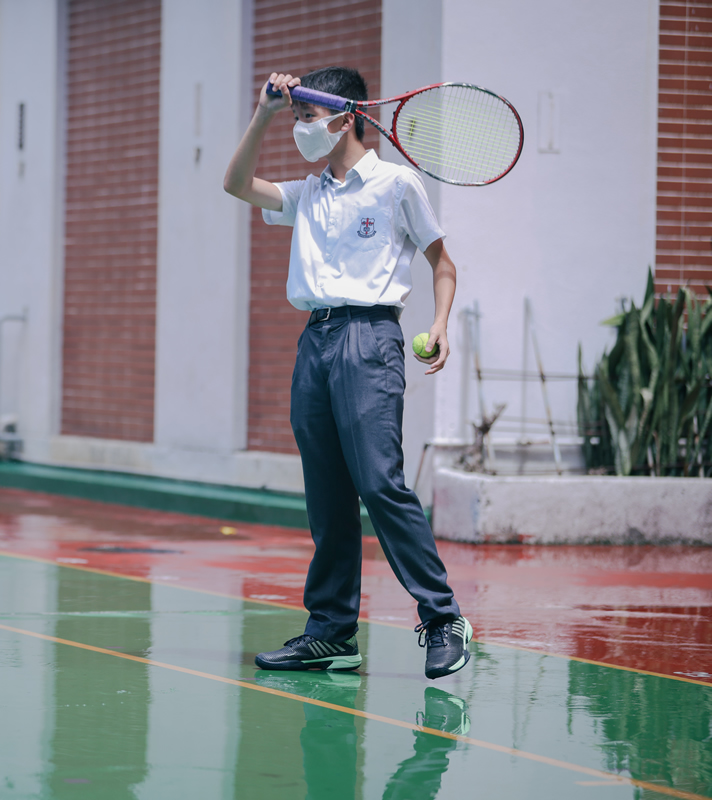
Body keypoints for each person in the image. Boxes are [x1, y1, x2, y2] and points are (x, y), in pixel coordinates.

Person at [223, 66, 472, 680]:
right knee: (327, 495)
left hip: (371, 338)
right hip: (316, 341)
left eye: (308, 117)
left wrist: (440, 323)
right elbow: (235, 184)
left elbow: (442, 263)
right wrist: (265, 113)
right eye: (297, 118)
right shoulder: (308, 194)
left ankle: (444, 618)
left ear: (347, 118)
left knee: (380, 483)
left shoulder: (396, 184)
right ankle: (332, 633)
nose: (300, 129)